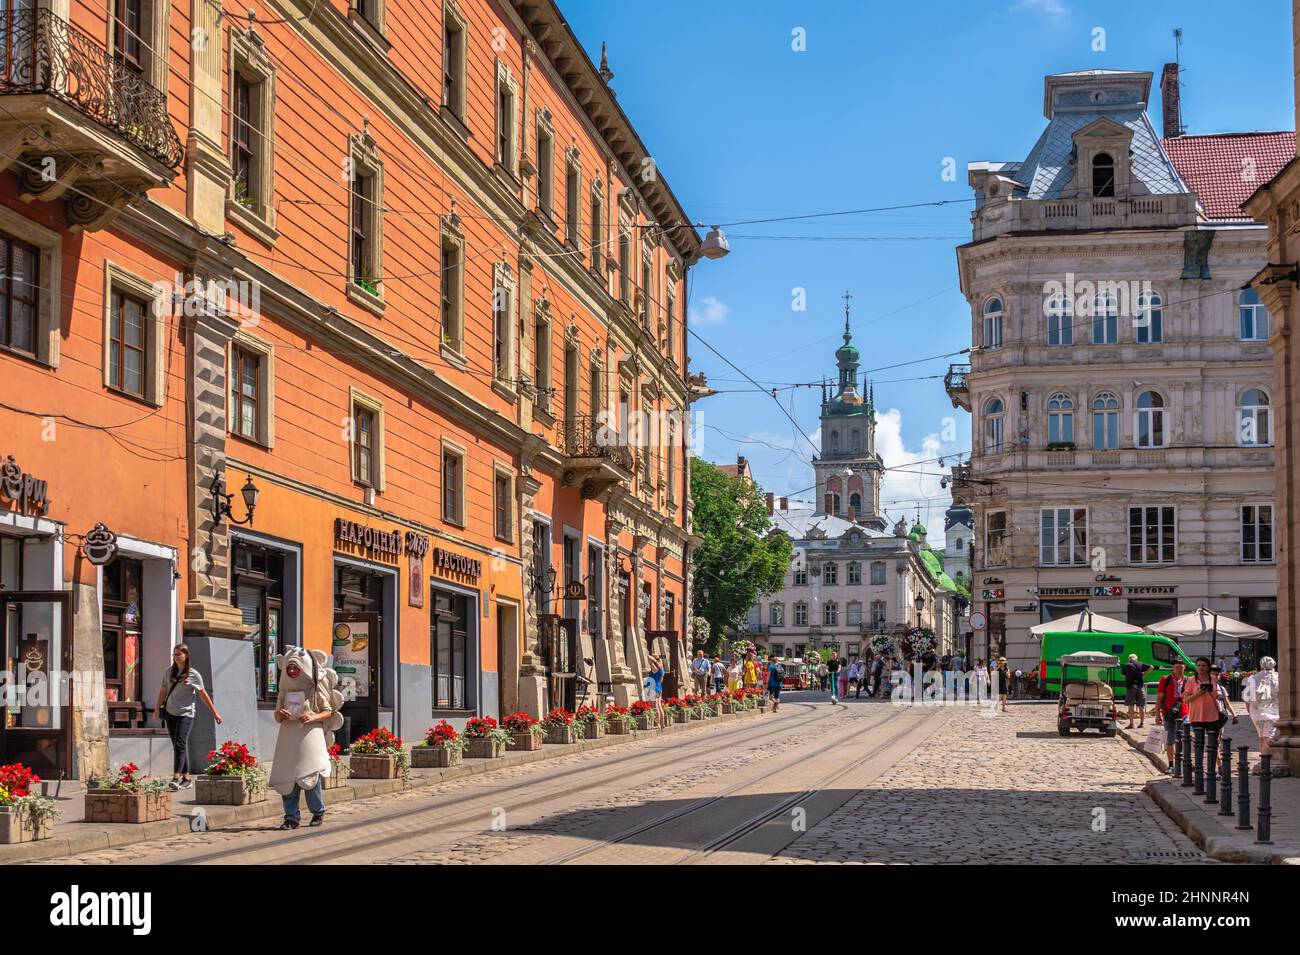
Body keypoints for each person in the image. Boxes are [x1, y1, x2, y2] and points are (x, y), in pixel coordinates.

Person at [269, 647, 343, 829]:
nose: (292, 671)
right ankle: (291, 817)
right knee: (288, 778)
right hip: (289, 735)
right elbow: (277, 715)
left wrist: (313, 717)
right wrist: (281, 714)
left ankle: (318, 811)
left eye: (296, 668)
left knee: (310, 776)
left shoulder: (314, 688)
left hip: (310, 734)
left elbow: (328, 711)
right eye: (289, 668)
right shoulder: (284, 690)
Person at [152, 644, 222, 791]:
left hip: (186, 714)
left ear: (186, 656)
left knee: (179, 744)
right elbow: (163, 691)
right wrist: (156, 709)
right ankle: (187, 778)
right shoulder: (169, 672)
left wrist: (214, 712)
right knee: (178, 746)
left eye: (178, 654)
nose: (175, 657)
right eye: (174, 654)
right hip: (171, 713)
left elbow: (203, 695)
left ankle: (176, 778)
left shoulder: (193, 674)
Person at [1184, 657, 1221, 776]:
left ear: (1208, 667)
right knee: (1199, 744)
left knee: (1213, 744)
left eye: (1203, 665)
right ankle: (1199, 770)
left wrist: (1211, 692)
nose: (1200, 668)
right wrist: (1199, 693)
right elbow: (1186, 700)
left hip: (1212, 715)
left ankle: (1212, 770)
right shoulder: (1191, 680)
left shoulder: (1213, 679)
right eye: (1198, 665)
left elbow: (1217, 696)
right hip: (1197, 716)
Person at [1242, 656, 1280, 768]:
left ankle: (1263, 760)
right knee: (1269, 738)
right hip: (1272, 713)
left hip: (1256, 713)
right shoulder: (1278, 677)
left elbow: (1247, 698)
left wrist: (1250, 712)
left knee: (1262, 737)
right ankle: (1265, 764)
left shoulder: (1253, 678)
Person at [1155, 659, 1188, 770]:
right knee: (1170, 740)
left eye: (1181, 667)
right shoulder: (1166, 679)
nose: (1179, 669)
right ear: (1173, 668)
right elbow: (1159, 698)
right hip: (1168, 714)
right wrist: (1157, 715)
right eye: (1176, 667)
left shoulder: (1187, 680)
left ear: (1184, 668)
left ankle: (1184, 763)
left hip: (1184, 713)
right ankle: (1171, 764)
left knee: (1184, 739)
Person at [1121, 653, 1152, 728]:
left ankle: (1131, 724)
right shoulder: (1140, 664)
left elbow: (1122, 675)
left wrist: (1129, 676)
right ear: (1136, 659)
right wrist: (1144, 674)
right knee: (1141, 706)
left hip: (1131, 687)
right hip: (1140, 687)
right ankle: (1141, 723)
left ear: (1129, 659)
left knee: (1131, 706)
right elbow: (1151, 667)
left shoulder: (1126, 665)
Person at [646, 654, 666, 728]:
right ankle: (662, 723)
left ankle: (658, 724)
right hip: (658, 687)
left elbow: (648, 657)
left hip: (653, 688)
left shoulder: (654, 668)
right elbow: (661, 681)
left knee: (655, 706)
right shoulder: (661, 670)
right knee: (659, 706)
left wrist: (653, 659)